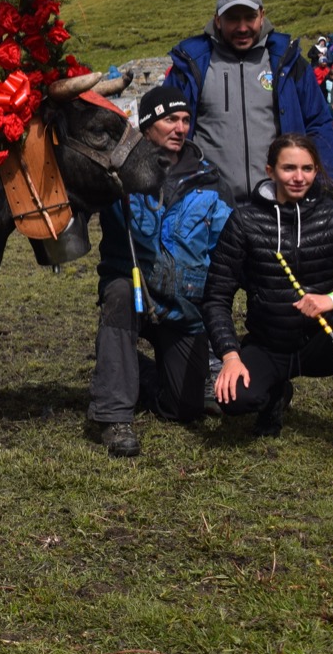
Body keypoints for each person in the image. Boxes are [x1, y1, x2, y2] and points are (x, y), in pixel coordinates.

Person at [205, 134, 333, 463]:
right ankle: (274, 396)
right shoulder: (244, 221)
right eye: (289, 168)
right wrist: (230, 355)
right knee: (233, 401)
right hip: (269, 343)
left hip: (323, 343)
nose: (298, 177)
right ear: (270, 170)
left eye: (307, 168)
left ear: (316, 170)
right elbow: (216, 296)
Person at [87, 88, 232, 457]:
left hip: (185, 303)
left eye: (185, 120)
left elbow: (227, 250)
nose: (180, 128)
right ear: (147, 125)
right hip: (132, 289)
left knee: (183, 409)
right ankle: (113, 417)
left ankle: (135, 372)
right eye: (170, 120)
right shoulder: (116, 175)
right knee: (118, 295)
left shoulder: (211, 182)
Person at [162, 0, 333, 205]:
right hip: (208, 206)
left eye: (249, 17)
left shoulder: (288, 63)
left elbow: (319, 123)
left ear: (262, 16)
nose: (242, 27)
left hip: (280, 203)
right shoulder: (191, 65)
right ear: (217, 20)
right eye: (233, 18)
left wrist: (320, 183)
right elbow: (162, 130)